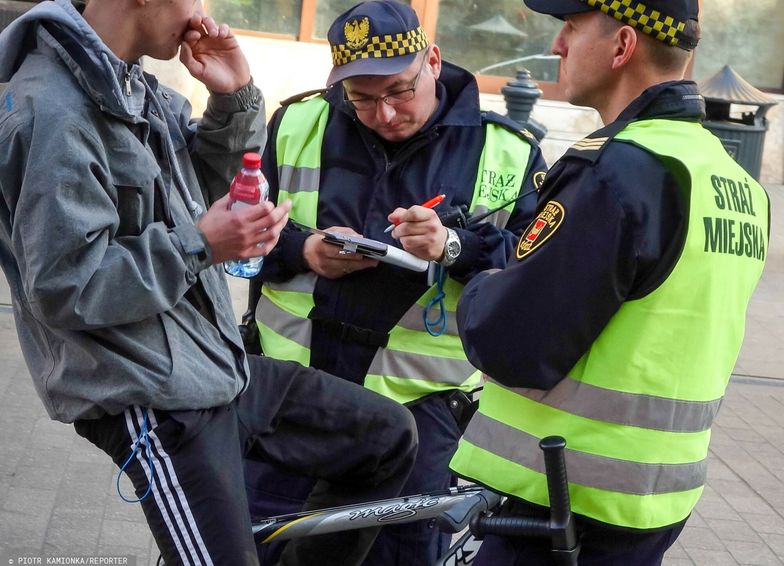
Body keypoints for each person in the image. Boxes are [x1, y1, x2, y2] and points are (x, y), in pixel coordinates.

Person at [0, 1, 419, 565]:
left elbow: (199, 193)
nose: (204, 11)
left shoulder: (130, 86)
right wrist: (203, 244)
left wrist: (234, 98)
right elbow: (66, 287)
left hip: (213, 368)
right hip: (151, 398)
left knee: (385, 437)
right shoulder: (52, 109)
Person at [449, 0, 771, 564]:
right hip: (654, 502)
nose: (556, 46)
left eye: (570, 28)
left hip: (565, 500)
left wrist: (477, 275)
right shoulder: (735, 181)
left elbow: (512, 343)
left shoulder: (621, 170)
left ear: (622, 46)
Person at [242, 1, 547, 564]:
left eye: (399, 92)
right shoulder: (297, 122)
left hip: (417, 413)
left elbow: (533, 276)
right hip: (290, 394)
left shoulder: (508, 150)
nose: (383, 114)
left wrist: (453, 248)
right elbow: (240, 235)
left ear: (431, 60)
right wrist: (304, 248)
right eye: (361, 98)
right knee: (258, 544)